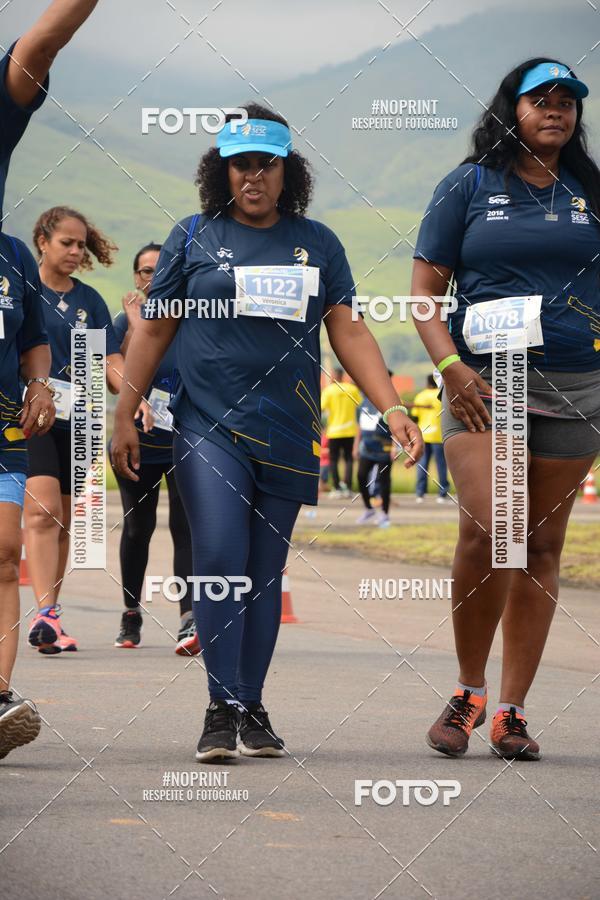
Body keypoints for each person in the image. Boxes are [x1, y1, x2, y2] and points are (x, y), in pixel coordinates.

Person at [111, 103, 423, 762]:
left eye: (266, 164)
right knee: (220, 555)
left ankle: (251, 704)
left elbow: (350, 329)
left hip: (289, 426)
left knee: (263, 571)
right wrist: (124, 411)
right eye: (240, 164)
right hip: (208, 423)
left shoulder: (319, 242)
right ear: (221, 171)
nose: (253, 176)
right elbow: (156, 327)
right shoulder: (192, 235)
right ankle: (220, 706)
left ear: (288, 171)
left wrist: (394, 407)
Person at [411, 58, 600, 760]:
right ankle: (468, 690)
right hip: (485, 382)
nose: (555, 110)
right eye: (540, 100)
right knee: (494, 529)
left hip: (577, 386)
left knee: (543, 546)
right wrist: (449, 366)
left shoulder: (592, 189)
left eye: (567, 102)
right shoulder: (468, 184)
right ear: (510, 109)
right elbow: (424, 295)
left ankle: (512, 710)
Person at [0, 0, 97, 759]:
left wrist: (41, 384)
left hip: (17, 421)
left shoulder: (9, 259)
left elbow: (37, 341)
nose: (70, 250)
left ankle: (0, 701)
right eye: (60, 242)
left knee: (16, 543)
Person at [25, 207, 125, 653]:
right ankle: (44, 614)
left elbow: (110, 366)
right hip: (31, 417)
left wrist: (135, 400)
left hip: (80, 420)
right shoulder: (24, 291)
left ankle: (49, 615)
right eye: (66, 242)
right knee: (42, 511)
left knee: (64, 521)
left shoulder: (90, 302)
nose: (75, 251)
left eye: (81, 244)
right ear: (42, 241)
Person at [110, 243, 196, 655]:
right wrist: (133, 325)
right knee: (138, 528)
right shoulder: (119, 321)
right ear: (136, 278)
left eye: (158, 270)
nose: (151, 277)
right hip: (139, 442)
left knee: (186, 528)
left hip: (186, 437)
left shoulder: (193, 316)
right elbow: (114, 369)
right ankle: (131, 610)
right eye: (144, 271)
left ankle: (188, 618)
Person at [354, 370, 394, 527]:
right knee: (361, 476)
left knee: (384, 481)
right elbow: (359, 427)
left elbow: (394, 425)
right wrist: (356, 445)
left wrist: (395, 448)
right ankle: (369, 508)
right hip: (366, 448)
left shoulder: (389, 401)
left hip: (384, 448)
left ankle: (385, 514)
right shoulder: (362, 404)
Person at [321, 368, 362, 497]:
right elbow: (359, 405)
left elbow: (321, 408)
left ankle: (337, 488)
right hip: (350, 430)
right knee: (349, 459)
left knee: (333, 460)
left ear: (333, 376)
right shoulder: (352, 389)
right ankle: (348, 488)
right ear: (342, 376)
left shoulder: (329, 391)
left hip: (334, 431)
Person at [411, 374, 449, 503]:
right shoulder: (442, 394)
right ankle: (442, 494)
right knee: (441, 465)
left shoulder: (420, 396)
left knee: (422, 465)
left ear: (427, 383)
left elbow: (415, 418)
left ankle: (420, 494)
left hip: (423, 435)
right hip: (438, 435)